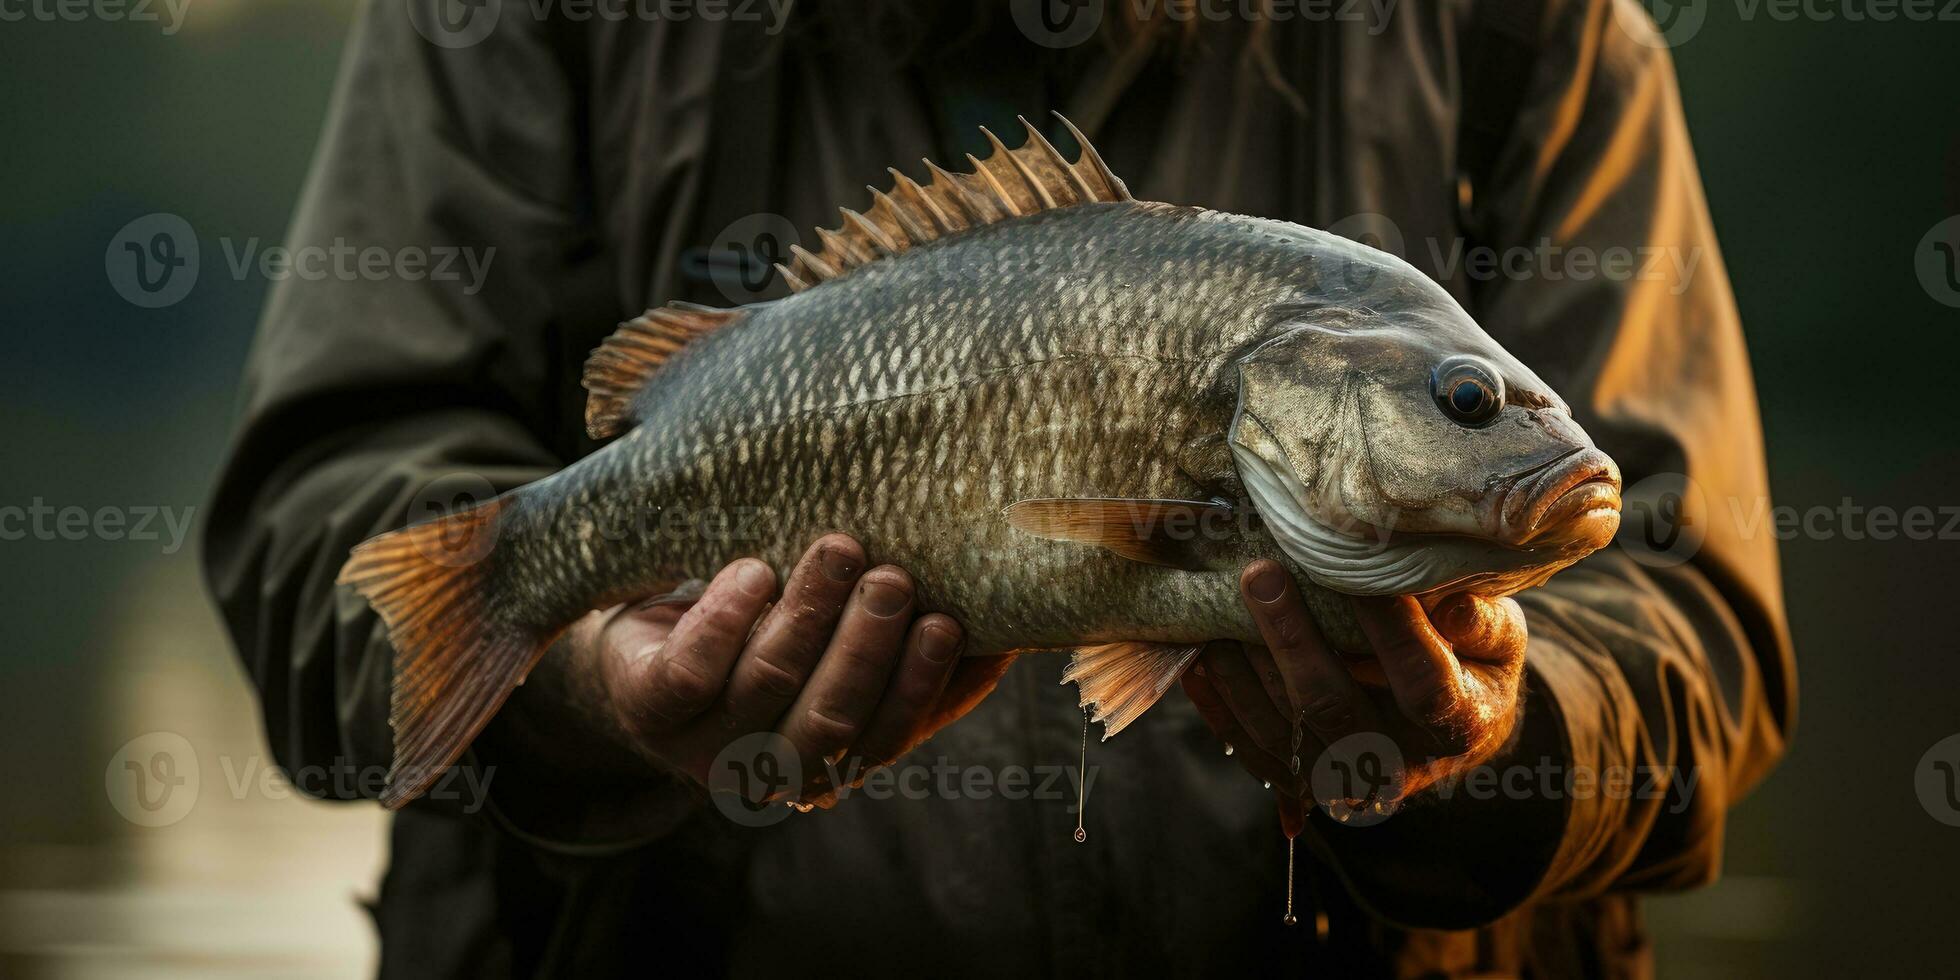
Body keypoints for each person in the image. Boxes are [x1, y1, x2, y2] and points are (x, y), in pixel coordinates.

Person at [203, 1, 1794, 975]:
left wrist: (1509, 734)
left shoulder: (1533, 25)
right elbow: (318, 529)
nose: (1496, 431)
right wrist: (585, 695)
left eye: (1468, 405)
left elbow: (1692, 605)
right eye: (1460, 405)